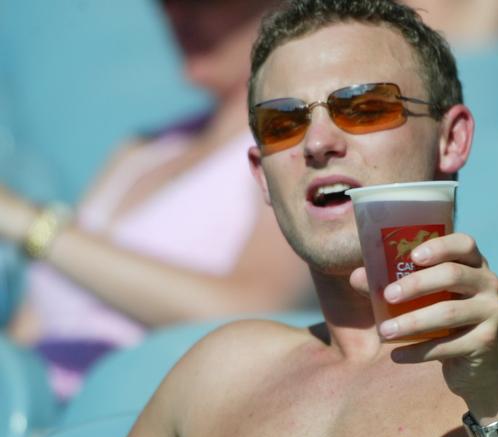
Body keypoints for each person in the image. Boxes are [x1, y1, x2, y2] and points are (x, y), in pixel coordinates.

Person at [80, 1, 498, 437]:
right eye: (283, 124)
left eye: (364, 107)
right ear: (260, 176)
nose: (318, 142)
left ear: (452, 139)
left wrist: (495, 397)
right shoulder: (216, 378)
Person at [0, 0, 312, 401]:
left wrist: (31, 226)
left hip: (134, 422)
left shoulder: (296, 146)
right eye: (167, 5)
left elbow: (256, 308)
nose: (176, 17)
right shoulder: (142, 148)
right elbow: (34, 322)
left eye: (199, 6)